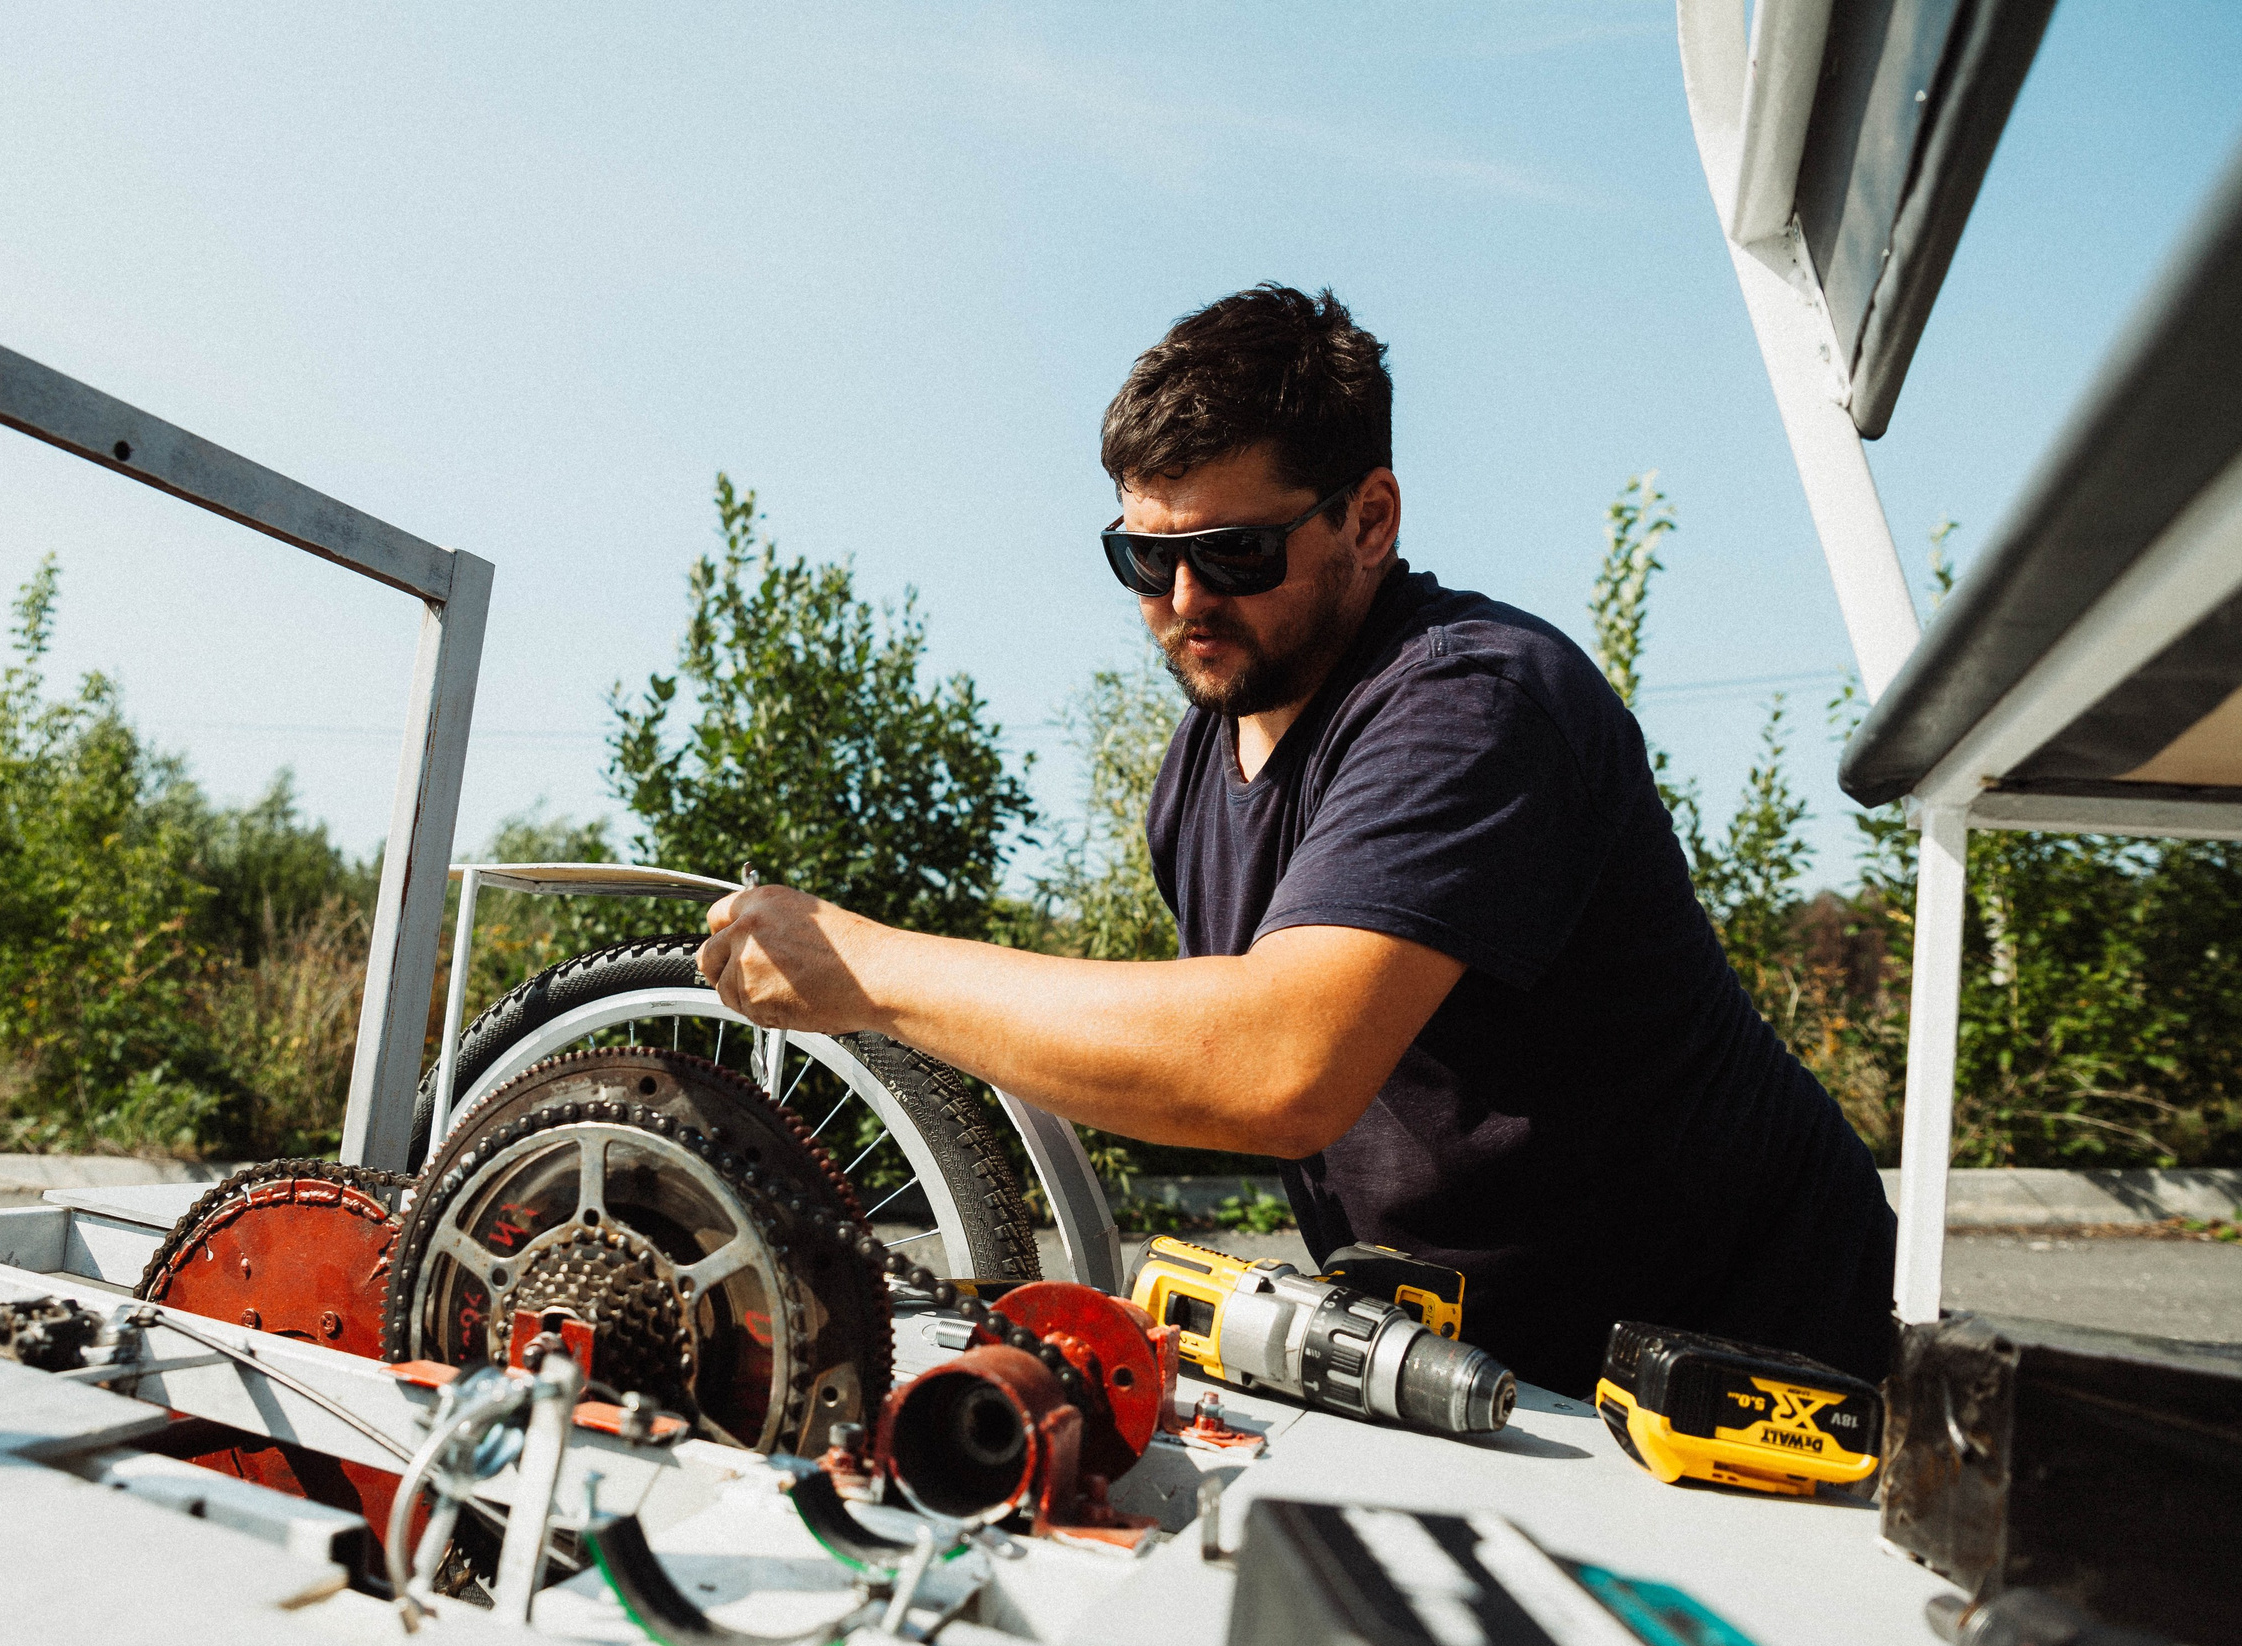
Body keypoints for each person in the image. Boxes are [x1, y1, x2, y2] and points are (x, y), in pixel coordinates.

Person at [697, 283, 1897, 1396]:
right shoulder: (1196, 771)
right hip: (1493, 1376)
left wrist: (864, 969)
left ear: (1367, 518)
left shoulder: (1473, 702)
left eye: (1232, 554)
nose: (1181, 603)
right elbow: (1186, 1050)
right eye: (1142, 558)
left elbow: (1275, 1069)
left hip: (1763, 1357)